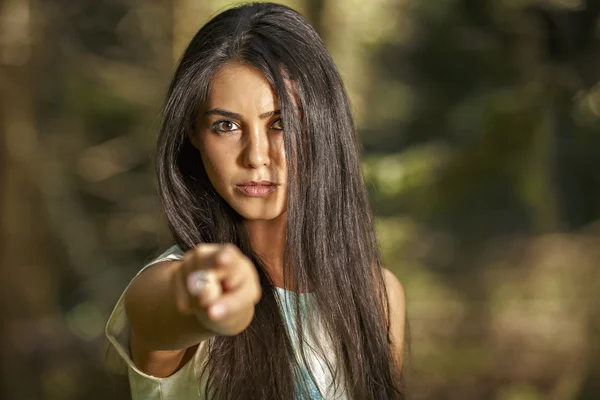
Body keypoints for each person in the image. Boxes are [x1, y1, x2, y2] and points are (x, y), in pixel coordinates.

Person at [105, 2, 406, 399]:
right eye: (226, 126)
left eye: (281, 123)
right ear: (193, 134)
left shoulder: (375, 292)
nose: (257, 156)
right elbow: (165, 308)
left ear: (322, 127)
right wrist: (207, 295)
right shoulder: (162, 283)